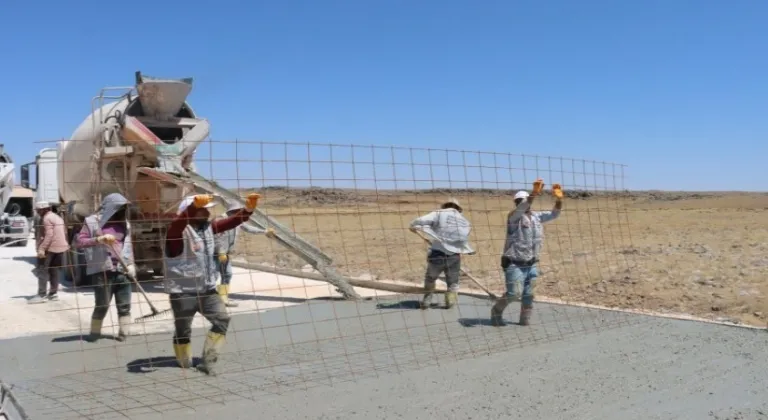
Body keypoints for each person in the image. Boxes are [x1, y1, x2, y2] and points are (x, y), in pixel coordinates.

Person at [164, 193, 261, 375]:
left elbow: (232, 222)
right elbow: (178, 224)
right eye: (202, 209)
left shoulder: (209, 228)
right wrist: (192, 207)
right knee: (183, 330)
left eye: (207, 209)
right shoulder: (176, 232)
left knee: (222, 319)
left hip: (208, 290)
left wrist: (248, 210)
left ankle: (207, 361)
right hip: (183, 292)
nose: (206, 213)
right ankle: (184, 360)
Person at [491, 179, 564, 326]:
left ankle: (524, 321)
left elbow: (554, 214)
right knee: (513, 294)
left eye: (522, 200)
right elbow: (523, 207)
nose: (521, 203)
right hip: (515, 263)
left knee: (529, 295)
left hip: (532, 263)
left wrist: (559, 200)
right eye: (519, 201)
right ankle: (496, 311)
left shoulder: (537, 217)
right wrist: (534, 194)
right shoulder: (514, 217)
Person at [75, 193, 136, 342]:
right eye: (119, 208)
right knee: (102, 305)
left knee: (125, 305)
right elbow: (80, 242)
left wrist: (131, 264)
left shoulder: (125, 223)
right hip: (102, 271)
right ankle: (95, 333)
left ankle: (124, 333)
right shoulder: (91, 222)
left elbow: (128, 245)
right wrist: (98, 239)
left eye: (124, 208)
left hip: (122, 270)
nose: (122, 211)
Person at [409, 198, 474, 310]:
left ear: (445, 206)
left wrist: (413, 226)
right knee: (453, 282)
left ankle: (426, 302)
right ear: (458, 208)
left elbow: (420, 221)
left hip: (437, 254)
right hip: (455, 256)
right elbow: (463, 238)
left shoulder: (440, 213)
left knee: (430, 278)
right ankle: (450, 303)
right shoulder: (464, 221)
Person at [214, 203, 276, 307]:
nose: (239, 212)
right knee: (212, 277)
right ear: (231, 211)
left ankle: (223, 298)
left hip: (226, 254)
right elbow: (215, 236)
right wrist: (220, 251)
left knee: (227, 274)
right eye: (238, 210)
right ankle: (204, 300)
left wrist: (264, 231)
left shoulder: (237, 221)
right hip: (214, 254)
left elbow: (248, 228)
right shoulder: (220, 220)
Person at [29, 202, 69, 304]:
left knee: (42, 270)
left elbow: (49, 235)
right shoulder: (57, 217)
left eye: (38, 210)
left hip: (50, 248)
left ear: (44, 209)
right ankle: (53, 294)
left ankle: (41, 295)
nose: (37, 212)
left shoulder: (46, 218)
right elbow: (64, 231)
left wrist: (42, 248)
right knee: (54, 270)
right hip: (60, 248)